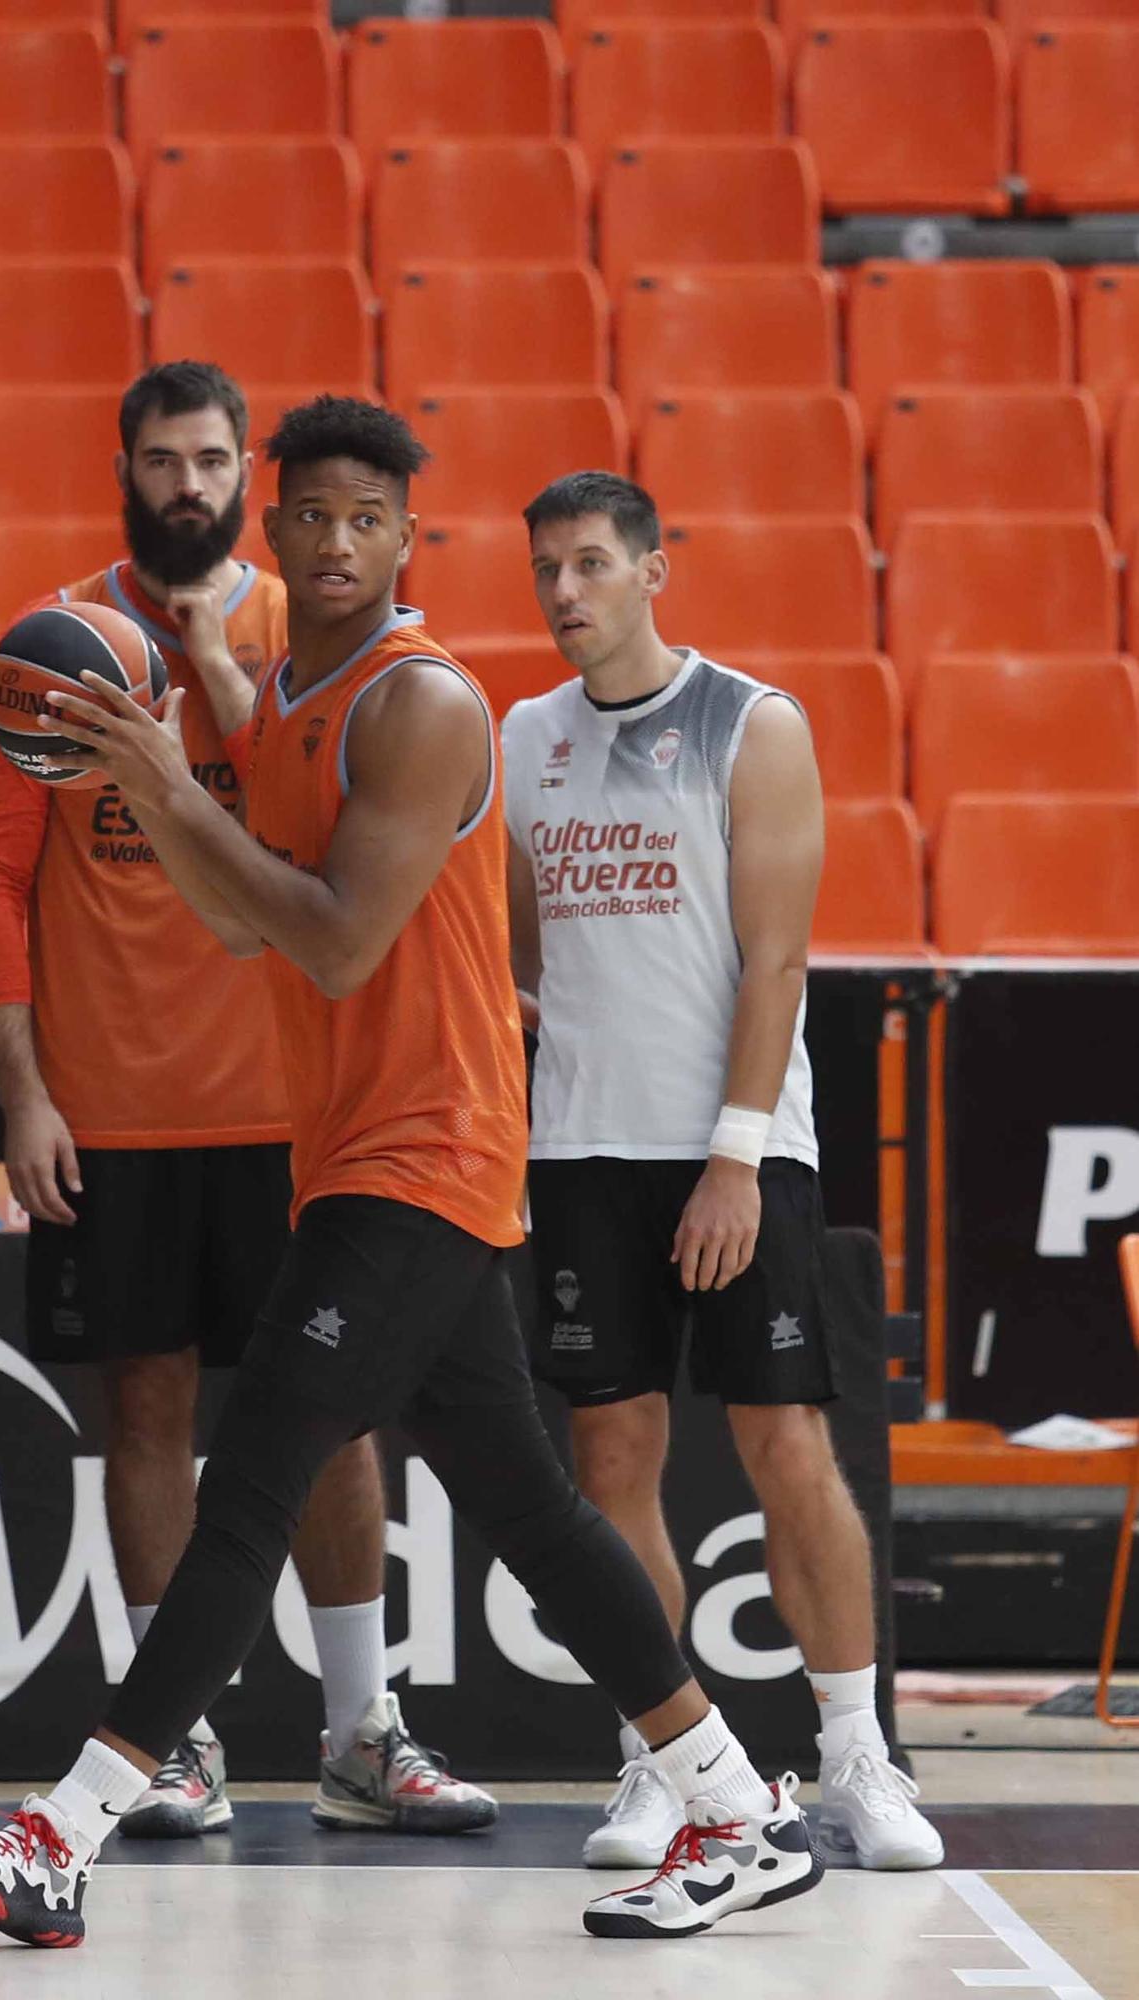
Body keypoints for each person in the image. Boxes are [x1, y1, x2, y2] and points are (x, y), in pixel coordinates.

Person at [0, 398, 825, 1949]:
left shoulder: (423, 704)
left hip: (430, 1146)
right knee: (530, 1507)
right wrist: (157, 762)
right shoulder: (279, 700)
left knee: (251, 1474)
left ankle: (61, 1835)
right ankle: (737, 1802)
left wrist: (167, 779)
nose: (332, 541)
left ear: (406, 542)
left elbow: (331, 936)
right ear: (274, 530)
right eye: (309, 514)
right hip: (350, 1148)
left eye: (364, 521)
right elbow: (242, 916)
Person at [0, 361, 490, 1840]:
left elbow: (330, 842)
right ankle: (174, 1739)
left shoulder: (303, 631)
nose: (185, 483)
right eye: (159, 459)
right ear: (123, 468)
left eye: (208, 461)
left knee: (323, 1419)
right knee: (145, 1404)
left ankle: (357, 1729)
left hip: (289, 1107)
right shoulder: (52, 645)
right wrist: (22, 1094)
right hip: (113, 1105)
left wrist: (225, 668)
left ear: (245, 475)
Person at [501, 470, 943, 1875]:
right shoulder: (520, 736)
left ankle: (857, 1756)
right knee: (612, 1459)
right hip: (579, 1147)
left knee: (782, 1445)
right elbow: (520, 953)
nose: (563, 592)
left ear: (651, 570)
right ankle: (660, 1760)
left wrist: (734, 1158)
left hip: (740, 1150)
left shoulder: (748, 725)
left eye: (587, 564)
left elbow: (778, 960)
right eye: (544, 571)